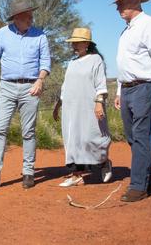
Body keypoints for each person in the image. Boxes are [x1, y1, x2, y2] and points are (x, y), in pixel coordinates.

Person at [0, 0, 51, 189]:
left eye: (31, 15)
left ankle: (28, 172)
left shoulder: (40, 36)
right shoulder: (2, 34)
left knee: (28, 132)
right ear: (17, 18)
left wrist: (40, 80)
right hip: (7, 87)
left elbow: (45, 62)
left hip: (31, 88)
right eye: (27, 16)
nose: (31, 19)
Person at [112, 0, 151, 202]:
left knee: (141, 137)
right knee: (133, 138)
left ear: (136, 1)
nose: (118, 7)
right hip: (127, 89)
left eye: (122, 2)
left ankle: (138, 186)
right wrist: (119, 91)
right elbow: (124, 64)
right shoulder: (126, 30)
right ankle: (150, 180)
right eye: (117, 3)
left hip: (146, 87)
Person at [52, 28, 112, 187]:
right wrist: (58, 105)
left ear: (87, 43)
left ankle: (103, 161)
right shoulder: (72, 63)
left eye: (78, 42)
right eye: (73, 43)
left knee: (90, 137)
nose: (74, 46)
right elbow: (66, 87)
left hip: (89, 106)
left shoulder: (96, 59)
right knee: (73, 140)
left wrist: (99, 102)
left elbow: (101, 84)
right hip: (71, 108)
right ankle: (76, 175)